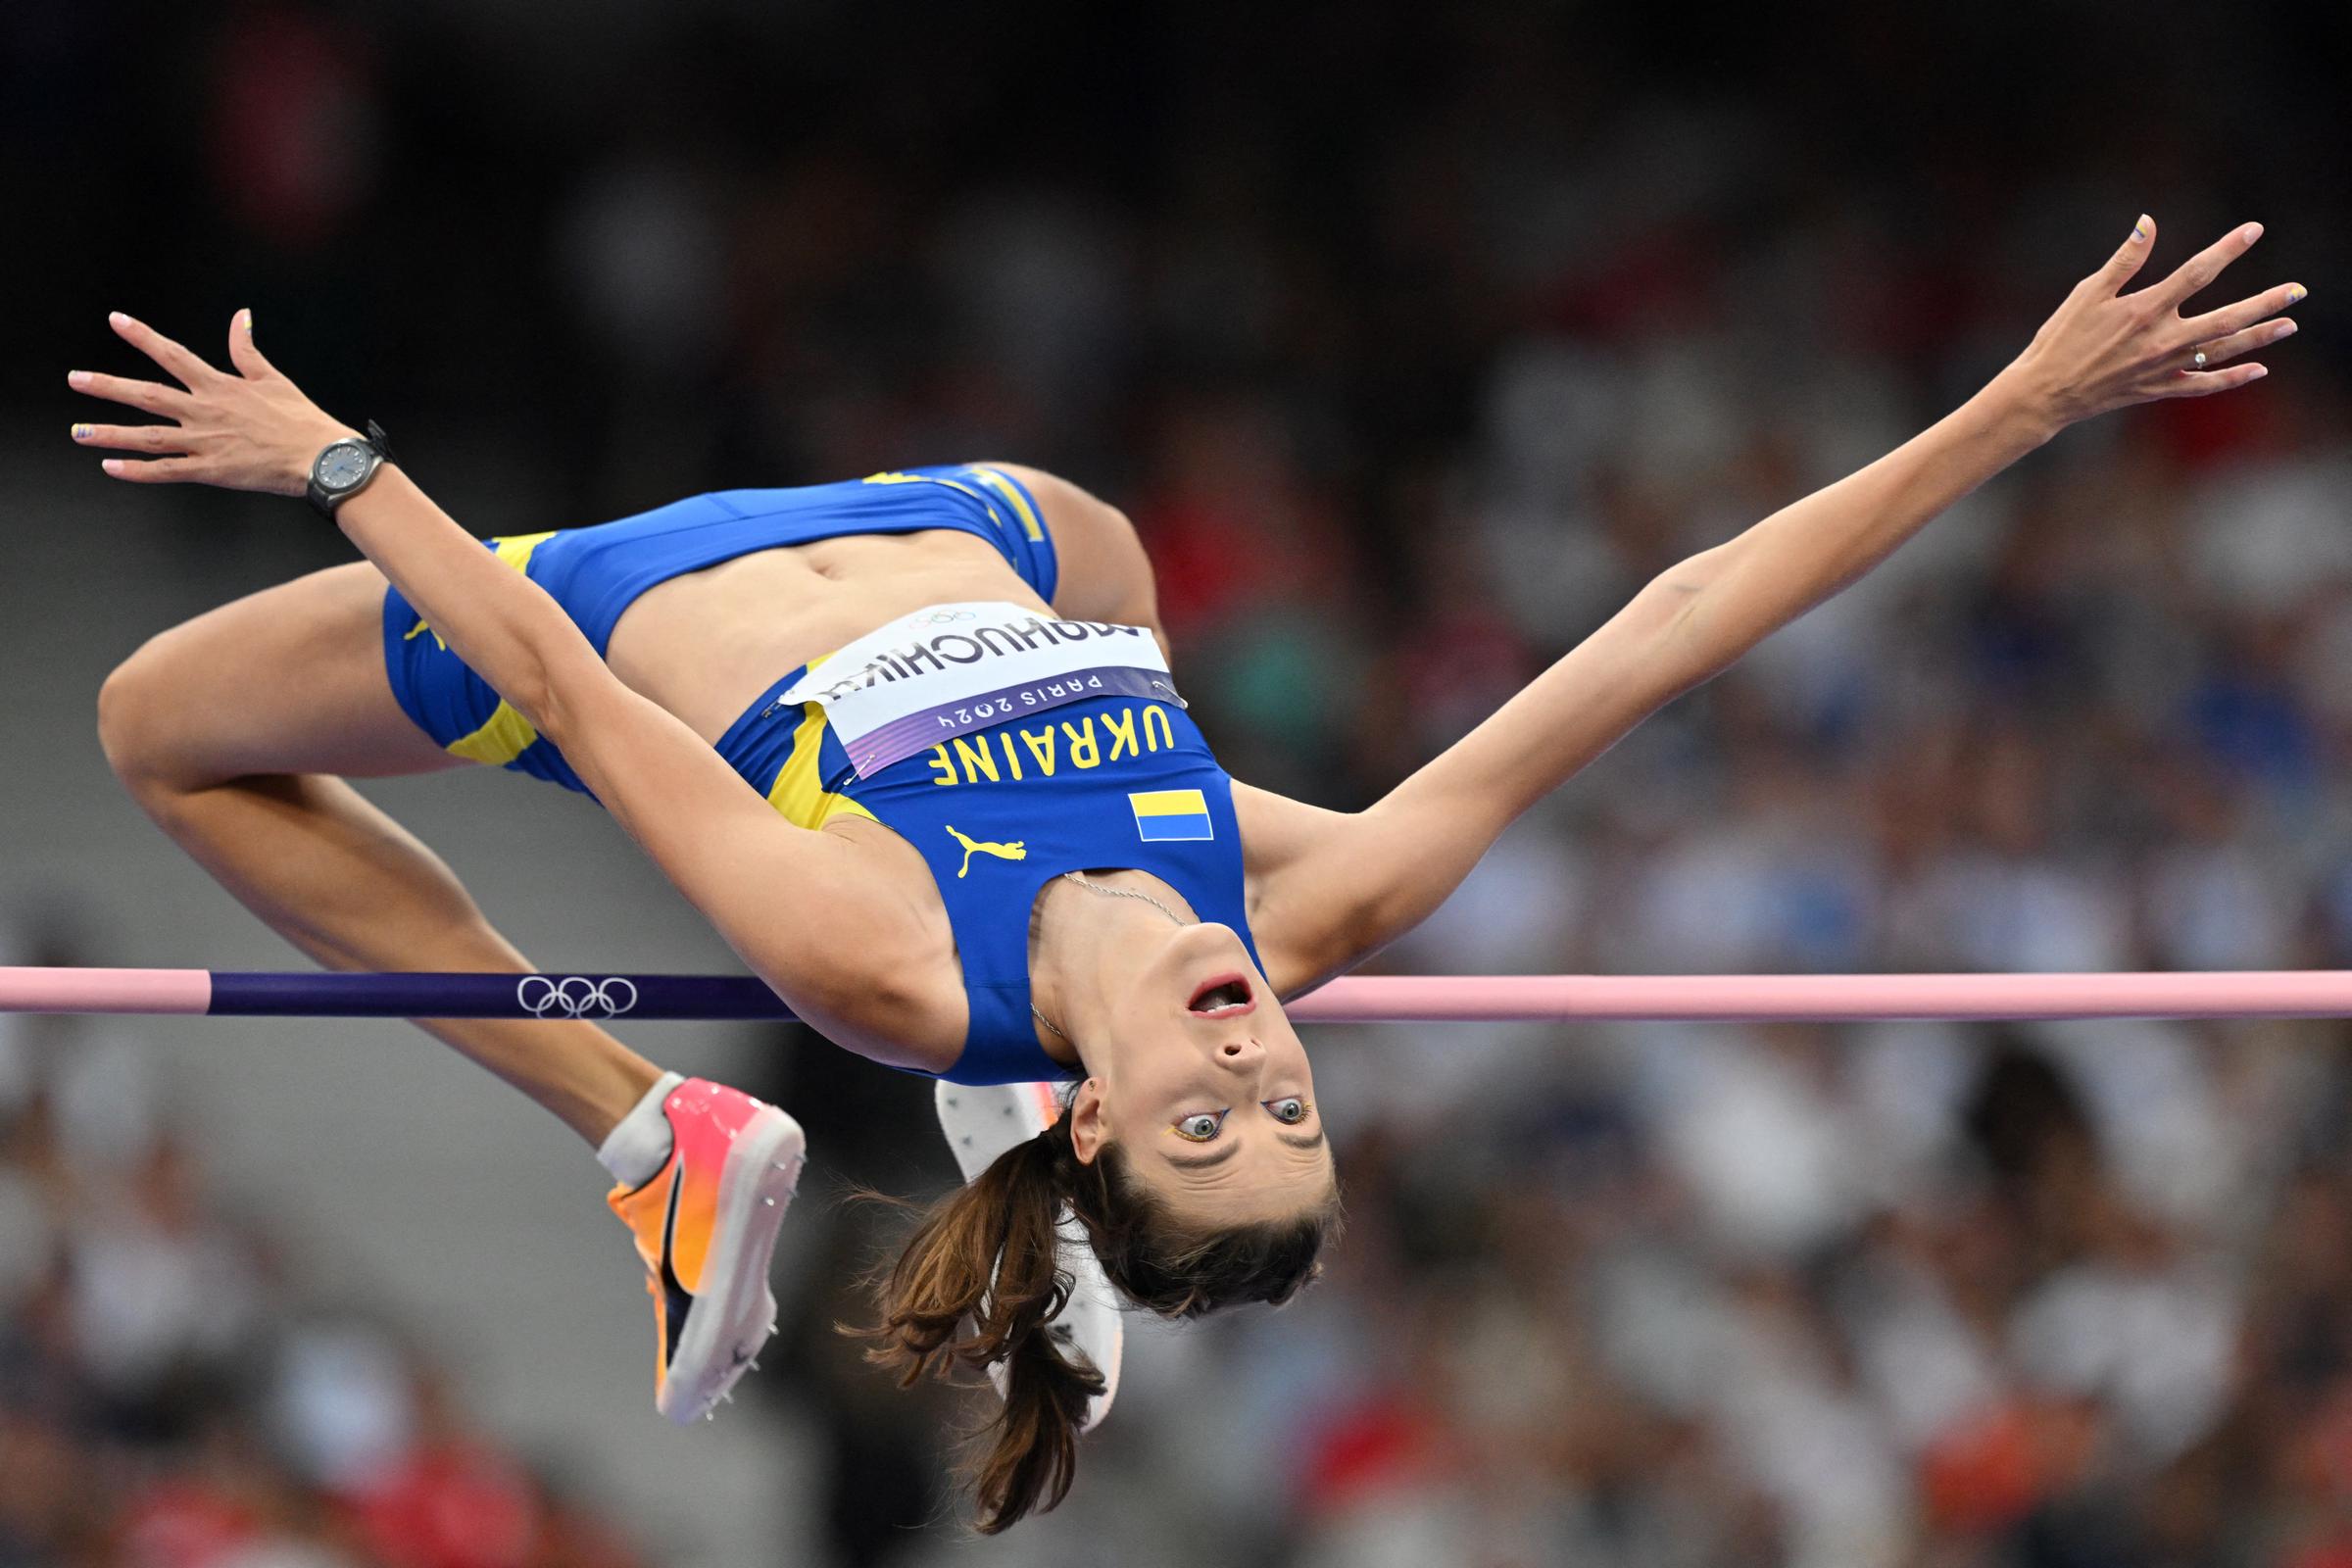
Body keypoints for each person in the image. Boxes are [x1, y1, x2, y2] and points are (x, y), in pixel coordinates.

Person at [73, 215, 2299, 1530]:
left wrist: (342, 463)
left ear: (1114, 1115)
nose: (1259, 1061)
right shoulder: (1316, 900)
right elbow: (1667, 626)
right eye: (1292, 1107)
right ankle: (989, 1082)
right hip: (1010, 527)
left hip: (632, 603)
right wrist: (2015, 407)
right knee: (1153, 667)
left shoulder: (875, 952)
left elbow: (554, 672)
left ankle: (647, 1125)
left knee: (157, 732)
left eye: (1208, 1121)